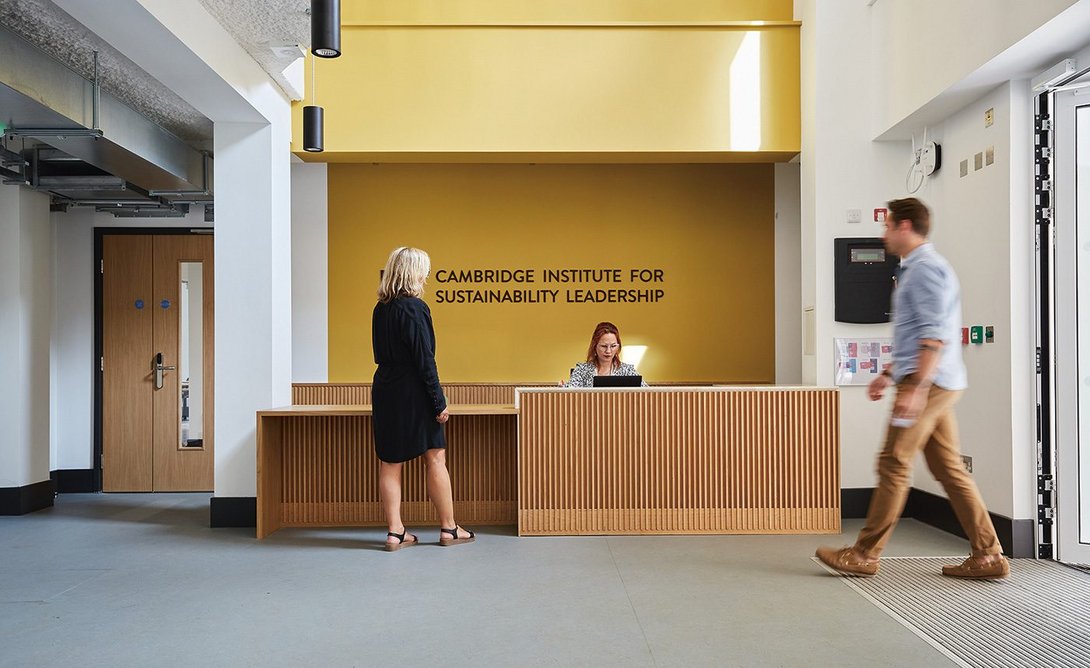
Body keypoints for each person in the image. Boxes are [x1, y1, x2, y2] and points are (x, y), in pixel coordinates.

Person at [815, 198, 1009, 580]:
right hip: (934, 380)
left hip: (930, 382)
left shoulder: (925, 270)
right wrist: (889, 373)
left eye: (886, 225)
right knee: (949, 469)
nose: (882, 233)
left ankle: (864, 554)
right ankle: (988, 555)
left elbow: (935, 336)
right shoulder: (916, 269)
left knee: (893, 462)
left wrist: (916, 386)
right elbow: (917, 333)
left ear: (905, 226)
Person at [371, 246, 474, 551]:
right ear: (413, 272)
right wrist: (438, 400)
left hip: (386, 389)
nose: (428, 274)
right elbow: (424, 359)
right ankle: (449, 528)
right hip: (414, 390)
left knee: (390, 463)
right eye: (425, 269)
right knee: (436, 456)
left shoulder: (381, 308)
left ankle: (395, 532)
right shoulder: (415, 308)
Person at [565, 321, 646, 387]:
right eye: (604, 346)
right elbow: (571, 393)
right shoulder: (581, 370)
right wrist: (562, 389)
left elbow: (648, 392)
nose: (608, 351)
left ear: (618, 347)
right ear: (595, 346)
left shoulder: (628, 371)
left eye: (613, 346)